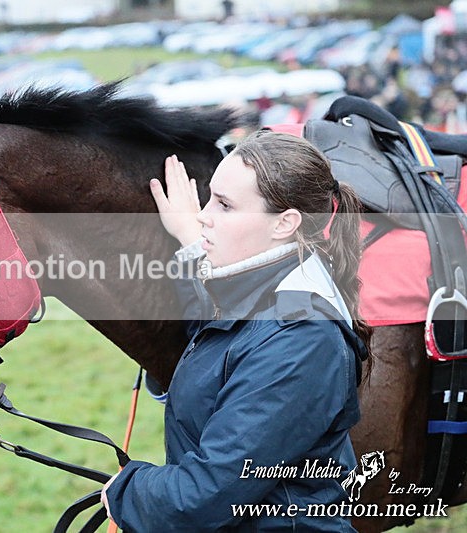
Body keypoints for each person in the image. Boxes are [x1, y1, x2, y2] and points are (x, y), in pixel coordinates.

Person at [101, 131, 371, 531]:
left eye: (225, 205)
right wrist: (192, 241)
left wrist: (129, 490)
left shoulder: (301, 340)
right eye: (211, 198)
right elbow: (221, 327)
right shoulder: (264, 289)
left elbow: (208, 495)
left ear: (284, 224)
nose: (203, 216)